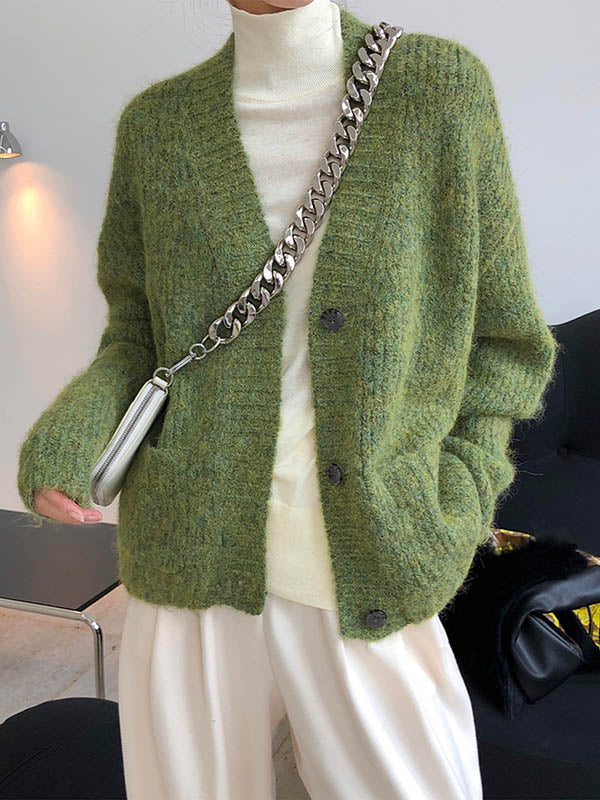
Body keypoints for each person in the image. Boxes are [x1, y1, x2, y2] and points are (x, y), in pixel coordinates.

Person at [16, 0, 558, 797]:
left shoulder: (438, 89)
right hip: (190, 560)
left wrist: (458, 495)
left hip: (371, 552)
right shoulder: (158, 127)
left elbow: (506, 341)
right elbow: (137, 338)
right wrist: (67, 436)